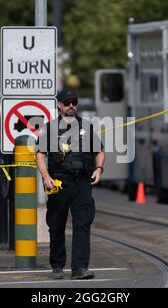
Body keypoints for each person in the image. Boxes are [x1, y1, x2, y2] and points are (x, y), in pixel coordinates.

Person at [35, 89, 105, 280]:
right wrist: (45, 176)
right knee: (56, 225)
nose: (71, 106)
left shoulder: (87, 127)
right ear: (59, 105)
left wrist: (98, 169)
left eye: (74, 102)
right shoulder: (50, 129)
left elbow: (99, 151)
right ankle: (57, 265)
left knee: (83, 223)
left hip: (82, 182)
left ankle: (80, 268)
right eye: (67, 102)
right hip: (59, 182)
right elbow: (40, 155)